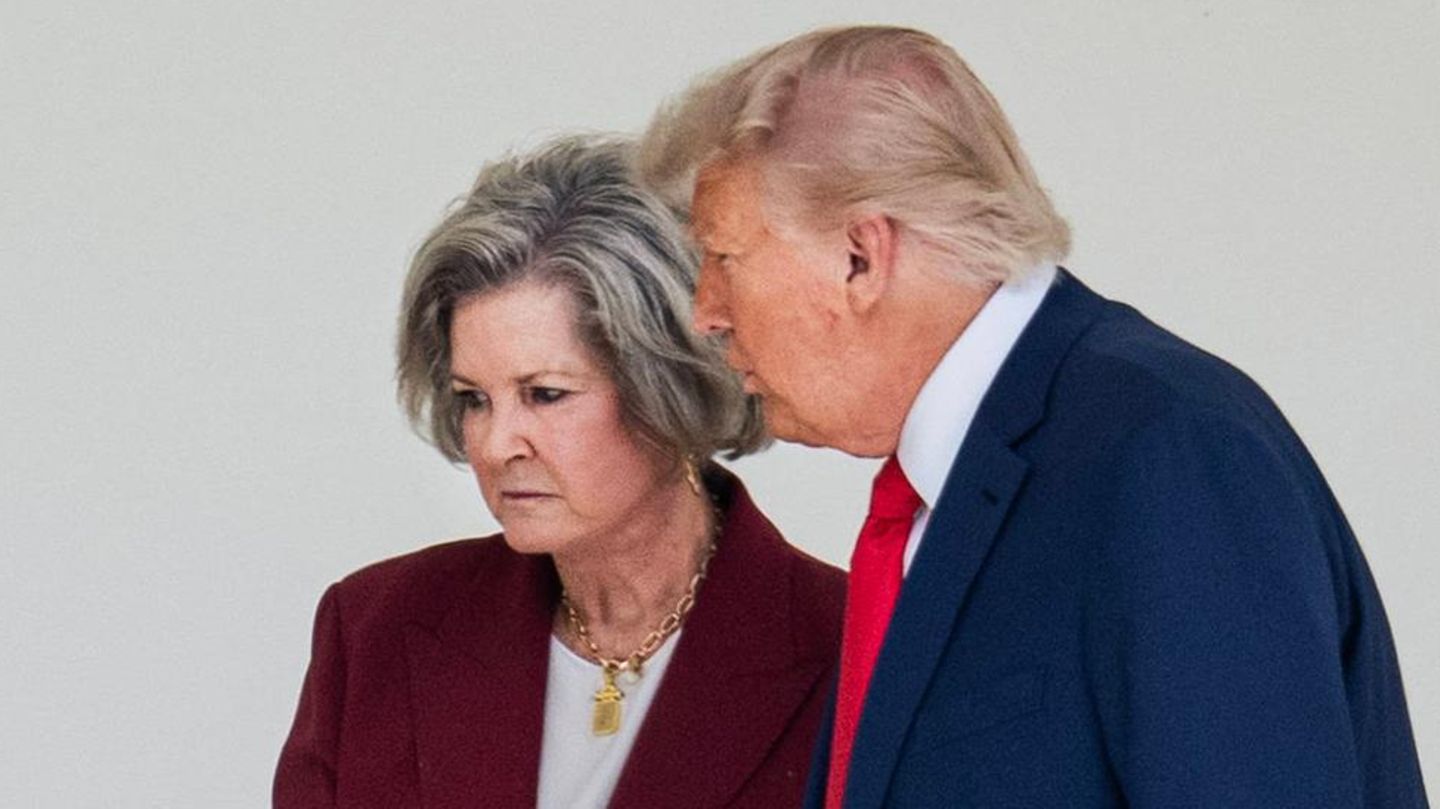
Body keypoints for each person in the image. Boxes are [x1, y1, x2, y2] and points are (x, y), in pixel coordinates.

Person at [637, 25, 1428, 809]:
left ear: (861, 257)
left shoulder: (1167, 455)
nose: (706, 312)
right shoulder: (959, 487)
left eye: (724, 256)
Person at [274, 136, 845, 808]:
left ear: (670, 386)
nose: (496, 445)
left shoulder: (852, 649)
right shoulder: (376, 627)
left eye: (545, 394)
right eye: (473, 399)